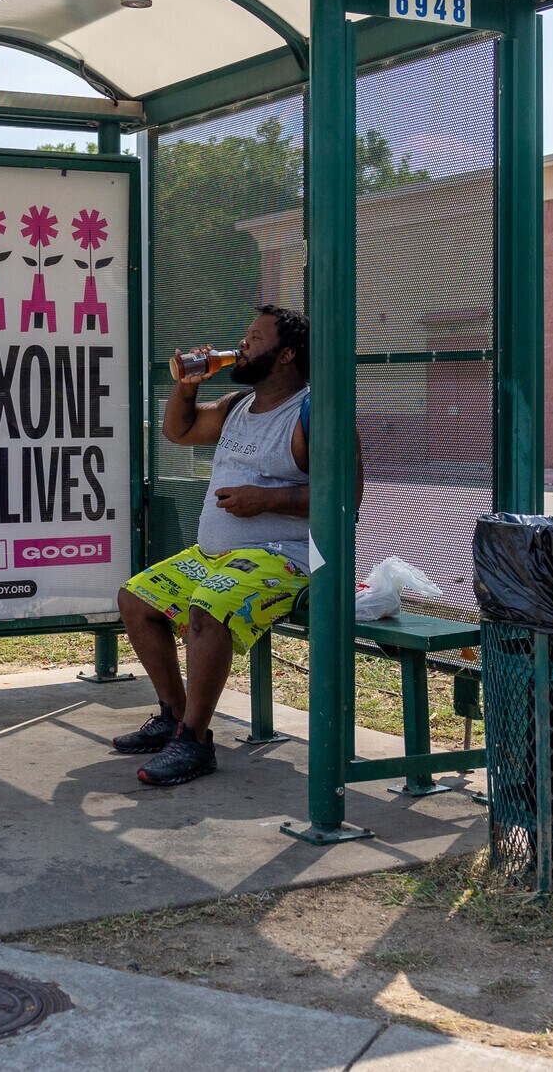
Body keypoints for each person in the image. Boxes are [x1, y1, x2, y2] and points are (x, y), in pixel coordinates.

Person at [112, 304, 363, 786]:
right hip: (217, 555)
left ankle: (194, 741)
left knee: (207, 606)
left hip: (288, 557)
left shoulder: (317, 412)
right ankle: (174, 718)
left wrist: (266, 499)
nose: (241, 344)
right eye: (245, 335)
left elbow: (346, 496)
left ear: (286, 354)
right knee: (136, 599)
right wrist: (188, 387)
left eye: (254, 337)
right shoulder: (236, 407)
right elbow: (179, 431)